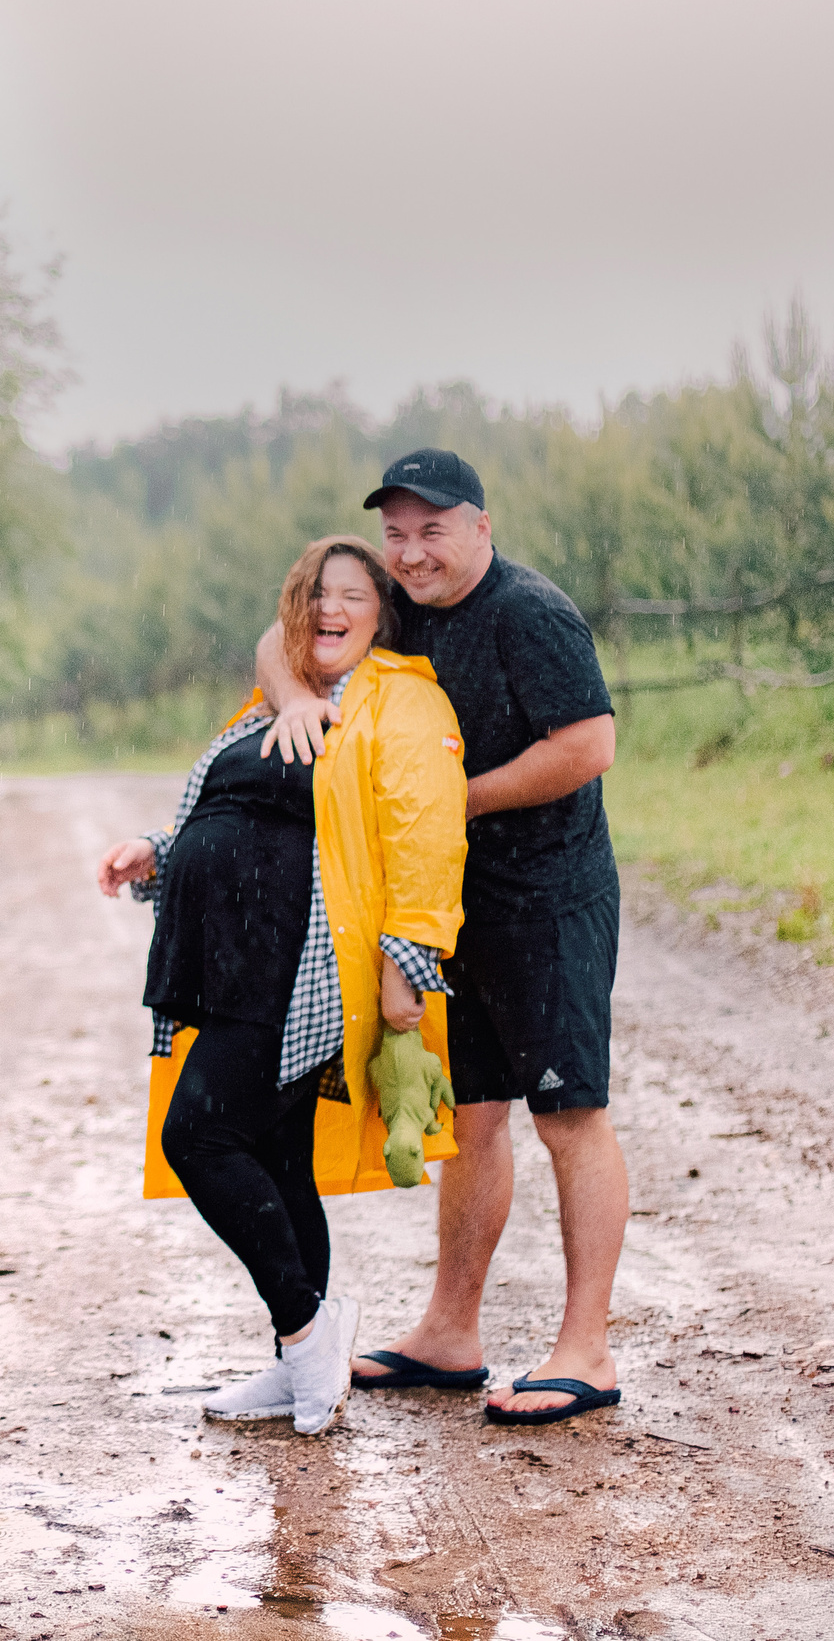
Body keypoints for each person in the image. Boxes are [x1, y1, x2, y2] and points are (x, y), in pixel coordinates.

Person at [249, 448, 629, 1427]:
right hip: (455, 903)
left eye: (432, 530)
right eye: (397, 532)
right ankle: (449, 1335)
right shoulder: (403, 604)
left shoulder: (527, 612)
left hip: (548, 897)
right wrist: (293, 696)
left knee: (568, 1115)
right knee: (471, 1115)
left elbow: (588, 747)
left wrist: (451, 801)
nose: (411, 552)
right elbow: (283, 634)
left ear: (481, 527)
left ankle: (586, 1350)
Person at [98, 535, 468, 1436]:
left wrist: (407, 964)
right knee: (278, 1156)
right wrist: (162, 850)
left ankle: (309, 1332)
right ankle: (296, 1354)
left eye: (353, 594)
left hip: (298, 965)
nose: (331, 609)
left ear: (383, 614)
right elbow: (228, 804)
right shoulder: (279, 698)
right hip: (228, 959)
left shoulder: (400, 702)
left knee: (201, 1134)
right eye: (316, 594)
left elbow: (426, 835)